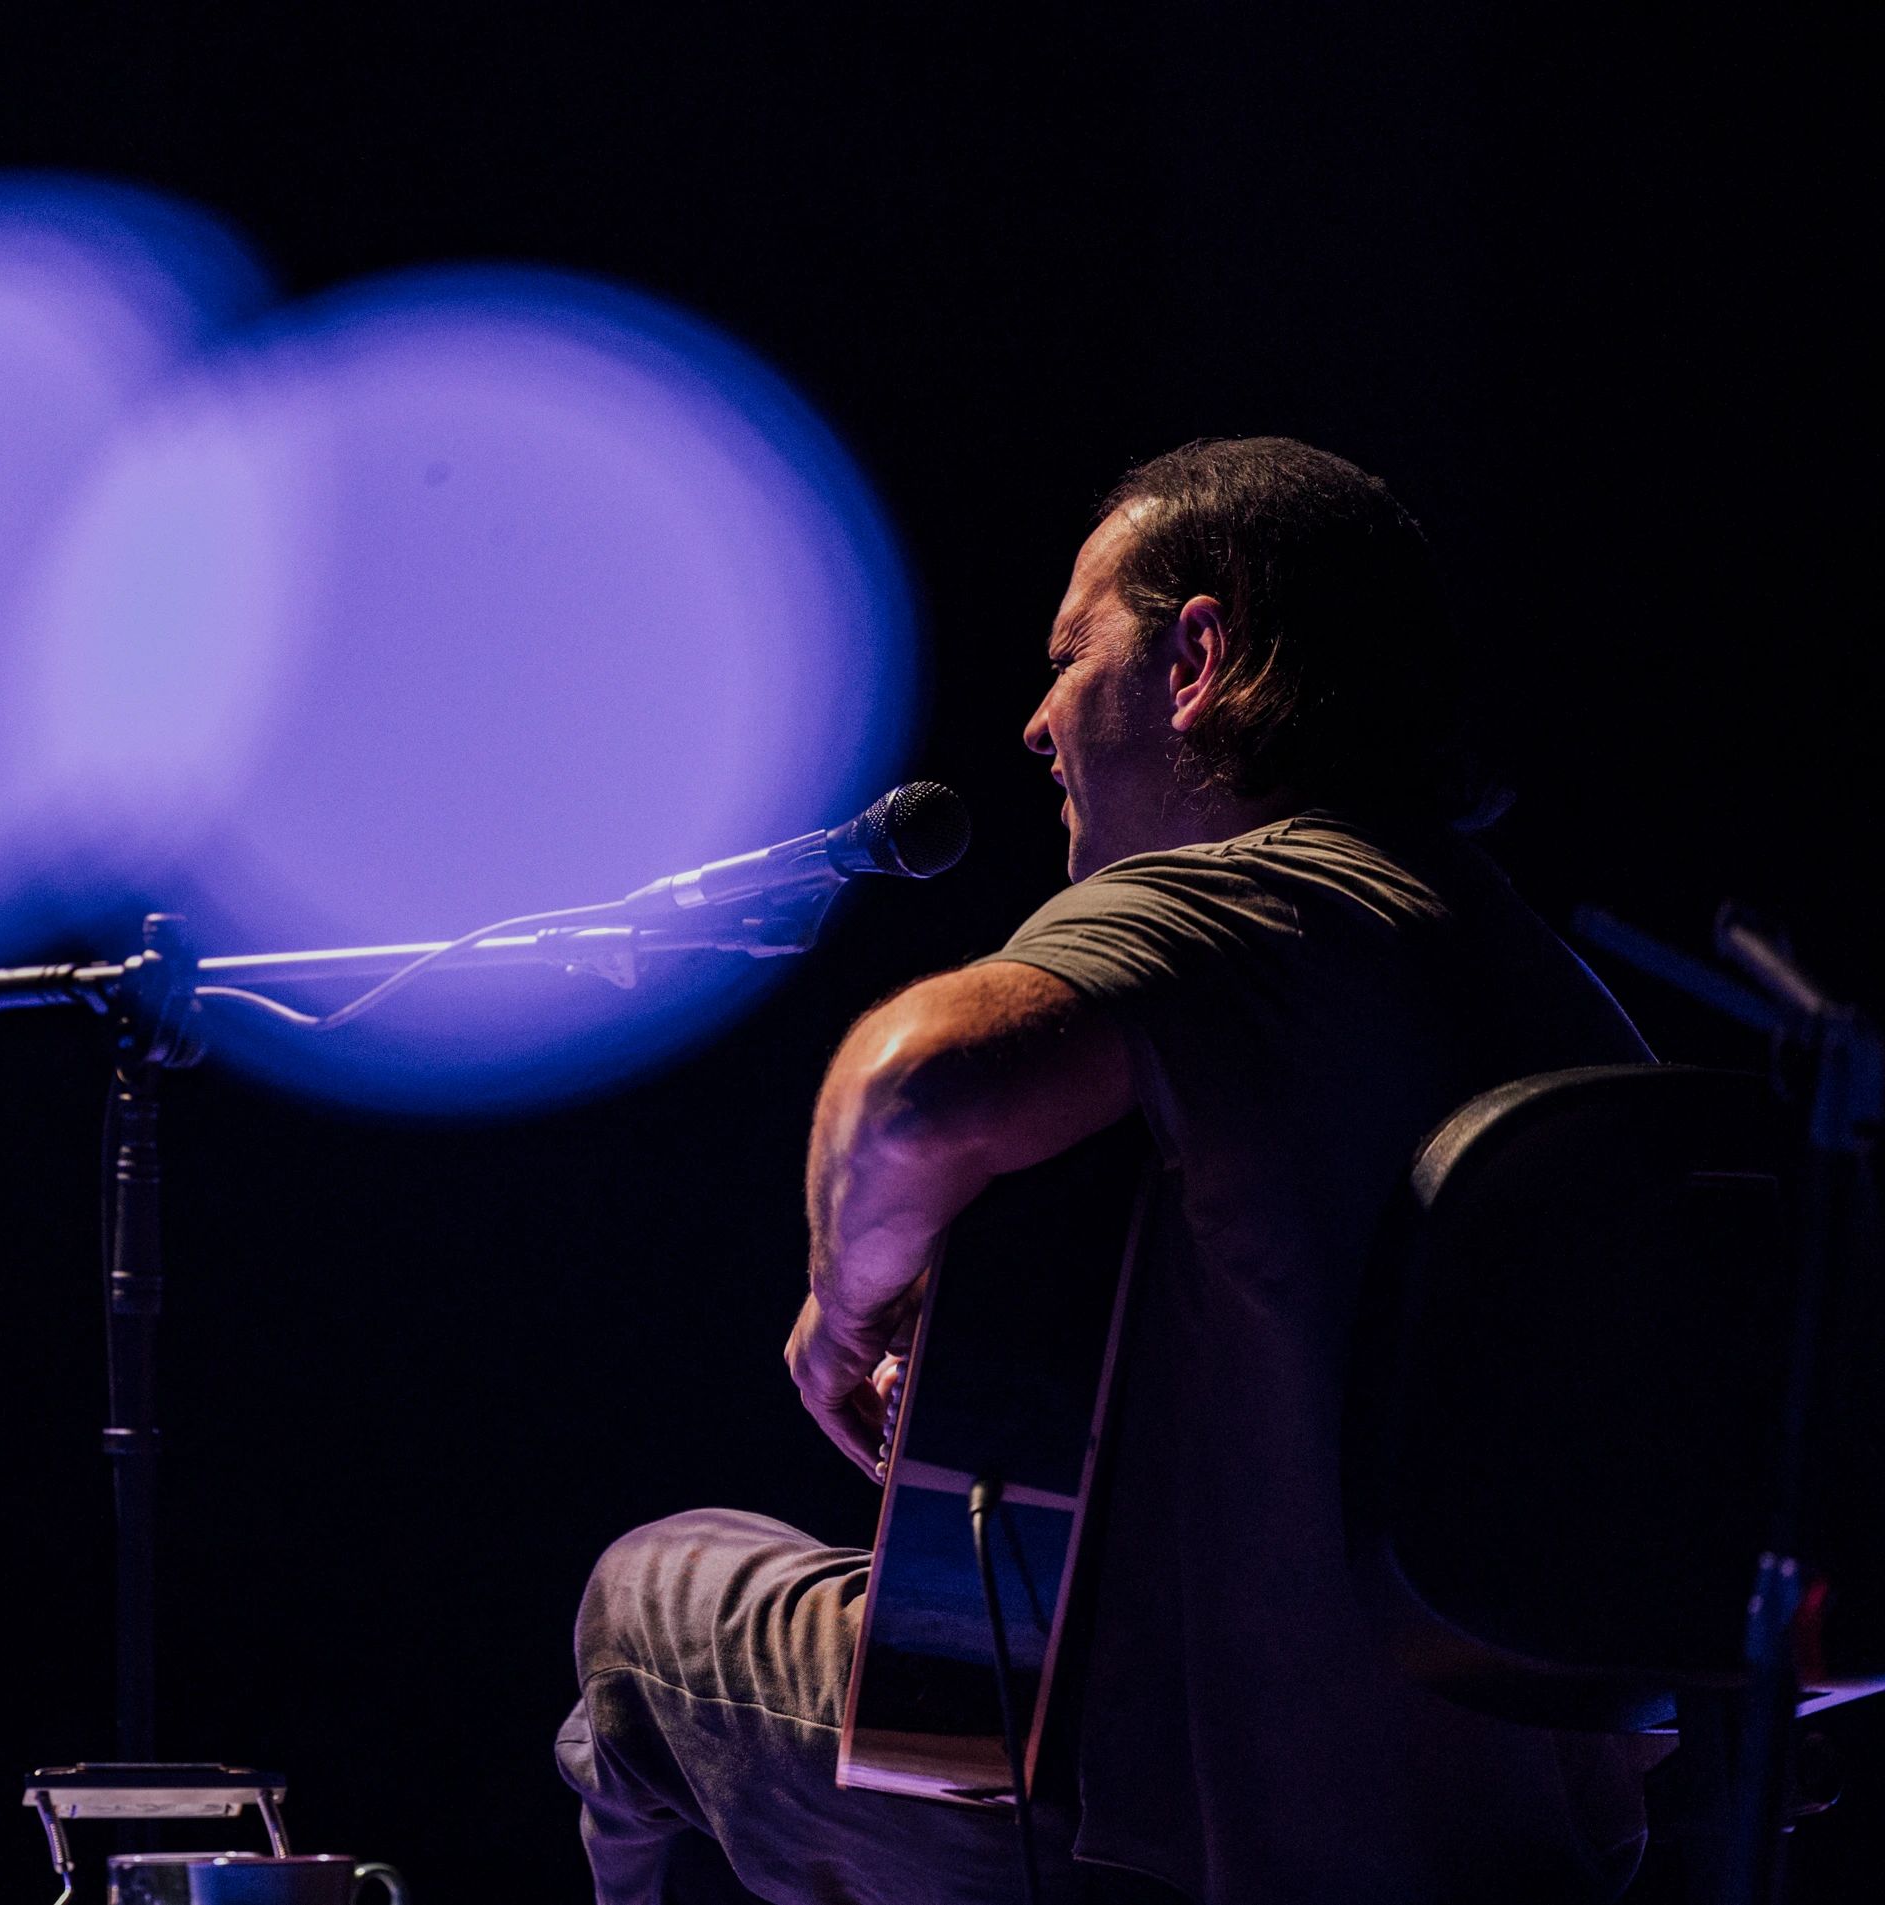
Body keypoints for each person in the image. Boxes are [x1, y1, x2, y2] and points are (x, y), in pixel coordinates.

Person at [557, 438, 1662, 1904]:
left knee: (652, 1598)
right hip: (1531, 1855)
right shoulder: (1570, 1002)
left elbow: (909, 1092)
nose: (1032, 725)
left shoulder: (1254, 895)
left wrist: (842, 1314)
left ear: (1197, 656)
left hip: (1148, 1835)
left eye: (1074, 655)